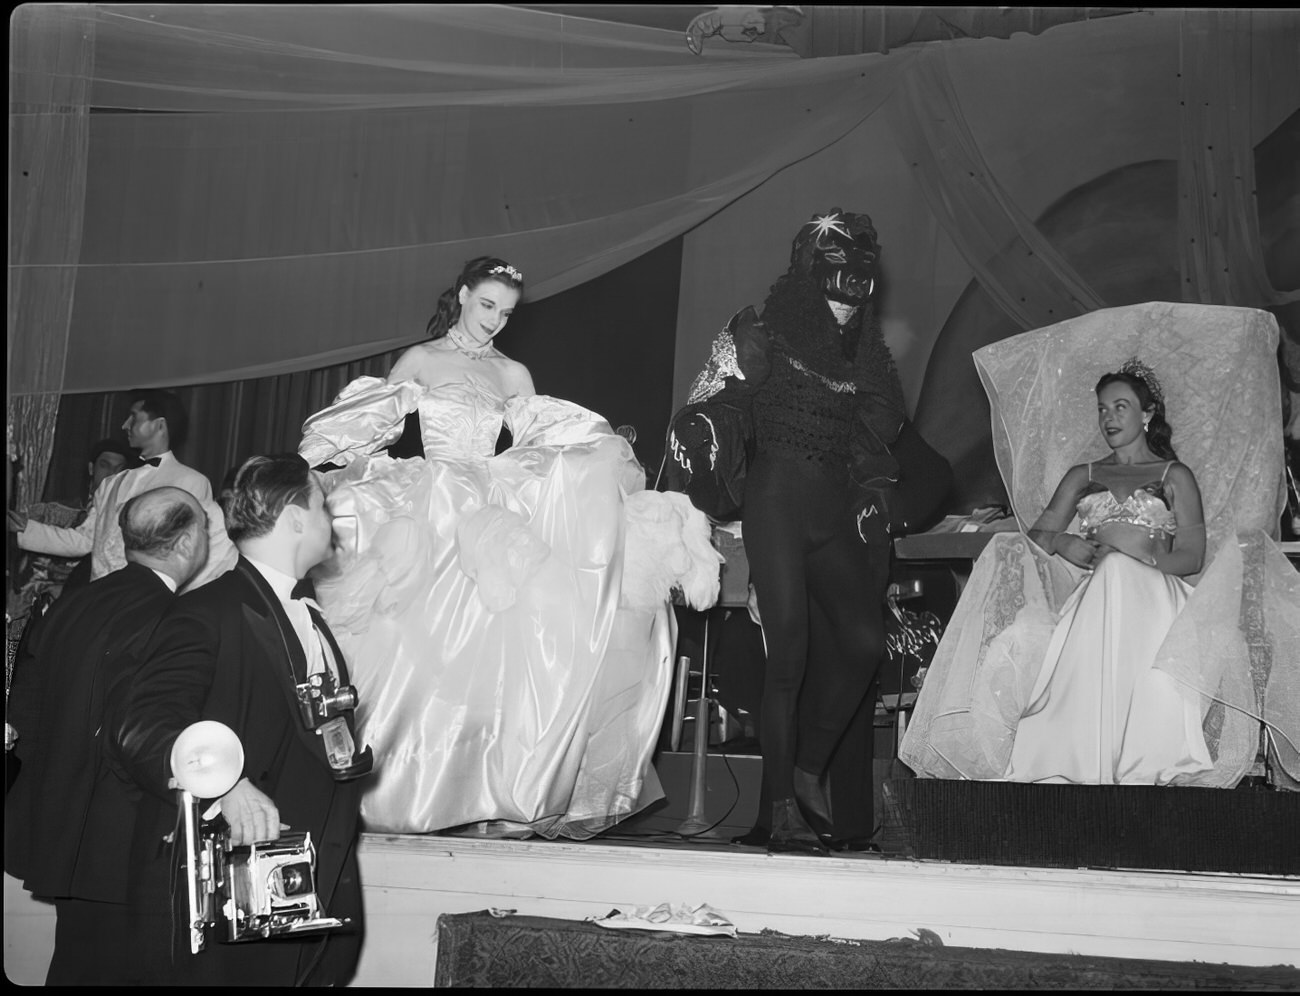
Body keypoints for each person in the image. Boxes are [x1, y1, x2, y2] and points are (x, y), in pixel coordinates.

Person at [298, 255, 698, 840]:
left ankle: (491, 791)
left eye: (506, 313)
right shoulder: (422, 360)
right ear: (461, 296)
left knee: (506, 652)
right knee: (421, 646)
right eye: (486, 306)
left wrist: (597, 459)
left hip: (490, 507)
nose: (494, 322)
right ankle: (405, 789)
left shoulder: (513, 373)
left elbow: (543, 436)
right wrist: (321, 459)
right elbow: (371, 421)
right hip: (434, 501)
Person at [665, 210, 911, 853]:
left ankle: (806, 770)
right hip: (776, 504)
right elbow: (712, 407)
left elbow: (878, 437)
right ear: (808, 281)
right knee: (789, 658)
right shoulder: (764, 333)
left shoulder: (866, 357)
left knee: (862, 643)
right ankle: (780, 808)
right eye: (831, 288)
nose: (842, 305)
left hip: (832, 513)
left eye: (854, 290)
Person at [110, 454, 372, 986]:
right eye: (322, 504)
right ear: (296, 517)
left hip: (305, 877)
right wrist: (224, 785)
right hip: (238, 894)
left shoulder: (308, 613)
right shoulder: (206, 610)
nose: (330, 520)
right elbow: (140, 727)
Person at [5, 486, 209, 986]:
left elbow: (24, 712)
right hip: (128, 842)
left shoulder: (74, 603)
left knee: (74, 966)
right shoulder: (172, 616)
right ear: (186, 543)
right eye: (205, 528)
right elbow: (142, 737)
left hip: (62, 830)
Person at [1001, 362, 1211, 783]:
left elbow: (1192, 555)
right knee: (1106, 576)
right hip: (1097, 599)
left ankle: (1140, 754)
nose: (1108, 418)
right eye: (1102, 409)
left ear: (1147, 414)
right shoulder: (1084, 475)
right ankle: (1072, 755)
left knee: (1116, 568)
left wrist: (1138, 564)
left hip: (1155, 599)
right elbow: (1038, 535)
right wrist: (1064, 543)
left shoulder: (1174, 476)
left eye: (1120, 407)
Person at [9, 390, 236, 589]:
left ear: (159, 425)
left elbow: (196, 555)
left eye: (133, 417)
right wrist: (23, 530)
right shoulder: (111, 483)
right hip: (98, 599)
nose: (124, 425)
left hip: (148, 606)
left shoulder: (192, 482)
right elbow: (84, 541)